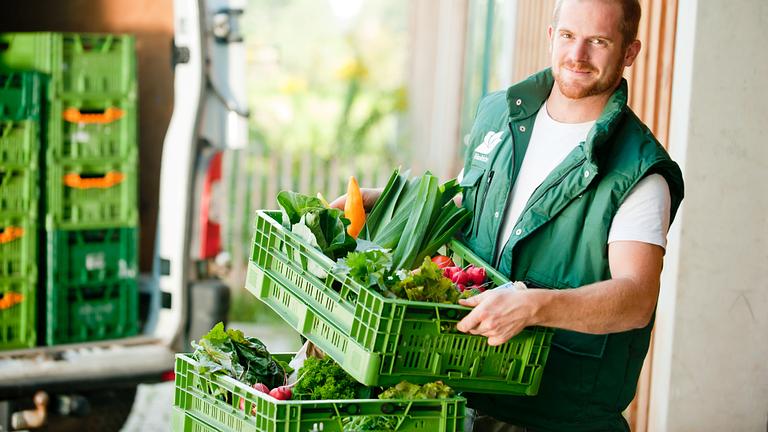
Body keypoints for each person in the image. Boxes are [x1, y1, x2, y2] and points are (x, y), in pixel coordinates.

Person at [332, 0, 684, 430]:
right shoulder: (501, 114)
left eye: (599, 41)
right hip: (461, 391)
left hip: (555, 416)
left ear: (629, 52)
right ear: (551, 35)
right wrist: (386, 203)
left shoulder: (638, 170)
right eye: (570, 36)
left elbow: (635, 298)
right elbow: (467, 206)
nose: (578, 55)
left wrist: (533, 306)